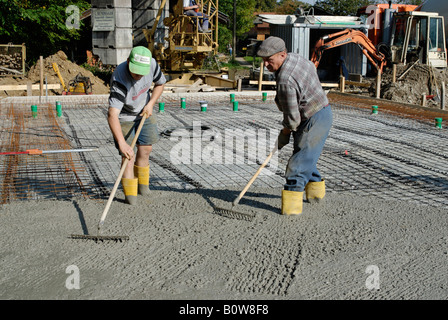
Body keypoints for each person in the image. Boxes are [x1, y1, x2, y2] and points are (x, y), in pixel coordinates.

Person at [257, 36, 333, 215]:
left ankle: (291, 209)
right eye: (263, 60)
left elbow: (292, 119)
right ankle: (316, 196)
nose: (266, 64)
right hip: (322, 110)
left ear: (282, 55)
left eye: (269, 60)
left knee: (298, 164)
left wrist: (284, 134)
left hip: (314, 118)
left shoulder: (285, 79)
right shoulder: (297, 58)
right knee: (306, 155)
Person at [108, 46, 166, 205]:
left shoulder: (152, 65)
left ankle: (143, 187)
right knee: (128, 155)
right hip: (125, 116)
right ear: (128, 62)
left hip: (144, 111)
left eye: (142, 72)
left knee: (146, 149)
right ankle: (130, 196)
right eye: (135, 72)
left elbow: (160, 84)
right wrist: (122, 143)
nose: (139, 76)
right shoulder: (119, 79)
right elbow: (112, 114)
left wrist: (151, 104)